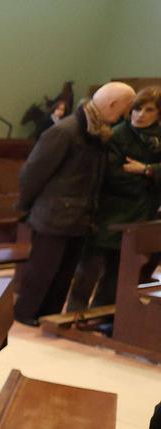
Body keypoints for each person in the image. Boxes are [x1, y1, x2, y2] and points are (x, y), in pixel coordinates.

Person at [14, 81, 136, 325]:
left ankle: (49, 316)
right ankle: (26, 314)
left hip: (80, 216)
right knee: (43, 272)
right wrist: (25, 207)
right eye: (125, 109)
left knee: (63, 274)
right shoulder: (66, 131)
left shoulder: (97, 133)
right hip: (53, 215)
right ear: (111, 104)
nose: (126, 115)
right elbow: (33, 173)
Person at [67, 86, 161, 312]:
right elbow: (114, 175)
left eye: (148, 110)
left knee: (119, 270)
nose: (140, 114)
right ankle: (74, 314)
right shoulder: (118, 134)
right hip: (110, 212)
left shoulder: (158, 139)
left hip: (141, 215)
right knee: (89, 268)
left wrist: (146, 170)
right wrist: (150, 180)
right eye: (136, 109)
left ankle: (103, 313)